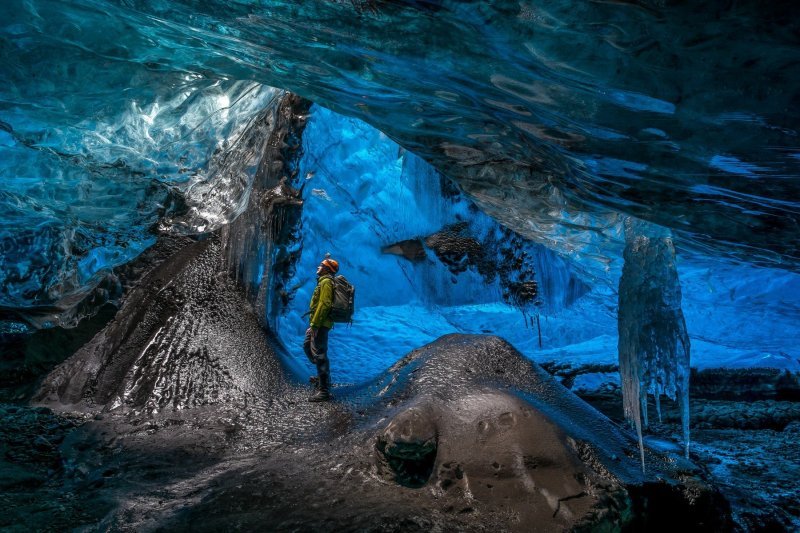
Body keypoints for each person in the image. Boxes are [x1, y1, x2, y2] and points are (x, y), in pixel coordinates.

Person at [303, 257, 339, 402]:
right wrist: (313, 324)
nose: (318, 266)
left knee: (320, 353)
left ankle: (324, 390)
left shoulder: (326, 282)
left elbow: (324, 304)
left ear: (327, 269)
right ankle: (322, 377)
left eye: (321, 265)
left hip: (321, 324)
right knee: (307, 345)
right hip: (319, 322)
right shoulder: (323, 281)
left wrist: (315, 325)